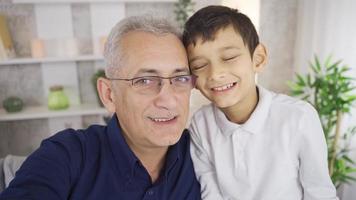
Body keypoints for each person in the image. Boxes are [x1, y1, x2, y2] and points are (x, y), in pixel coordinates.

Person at [0, 16, 201, 199]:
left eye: (180, 78)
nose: (168, 100)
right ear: (108, 95)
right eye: (145, 81)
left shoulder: (203, 153)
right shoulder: (65, 155)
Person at [183, 5, 338, 200]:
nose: (215, 74)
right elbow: (210, 193)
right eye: (199, 65)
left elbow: (320, 193)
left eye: (229, 57)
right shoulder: (200, 124)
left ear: (258, 58)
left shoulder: (299, 117)